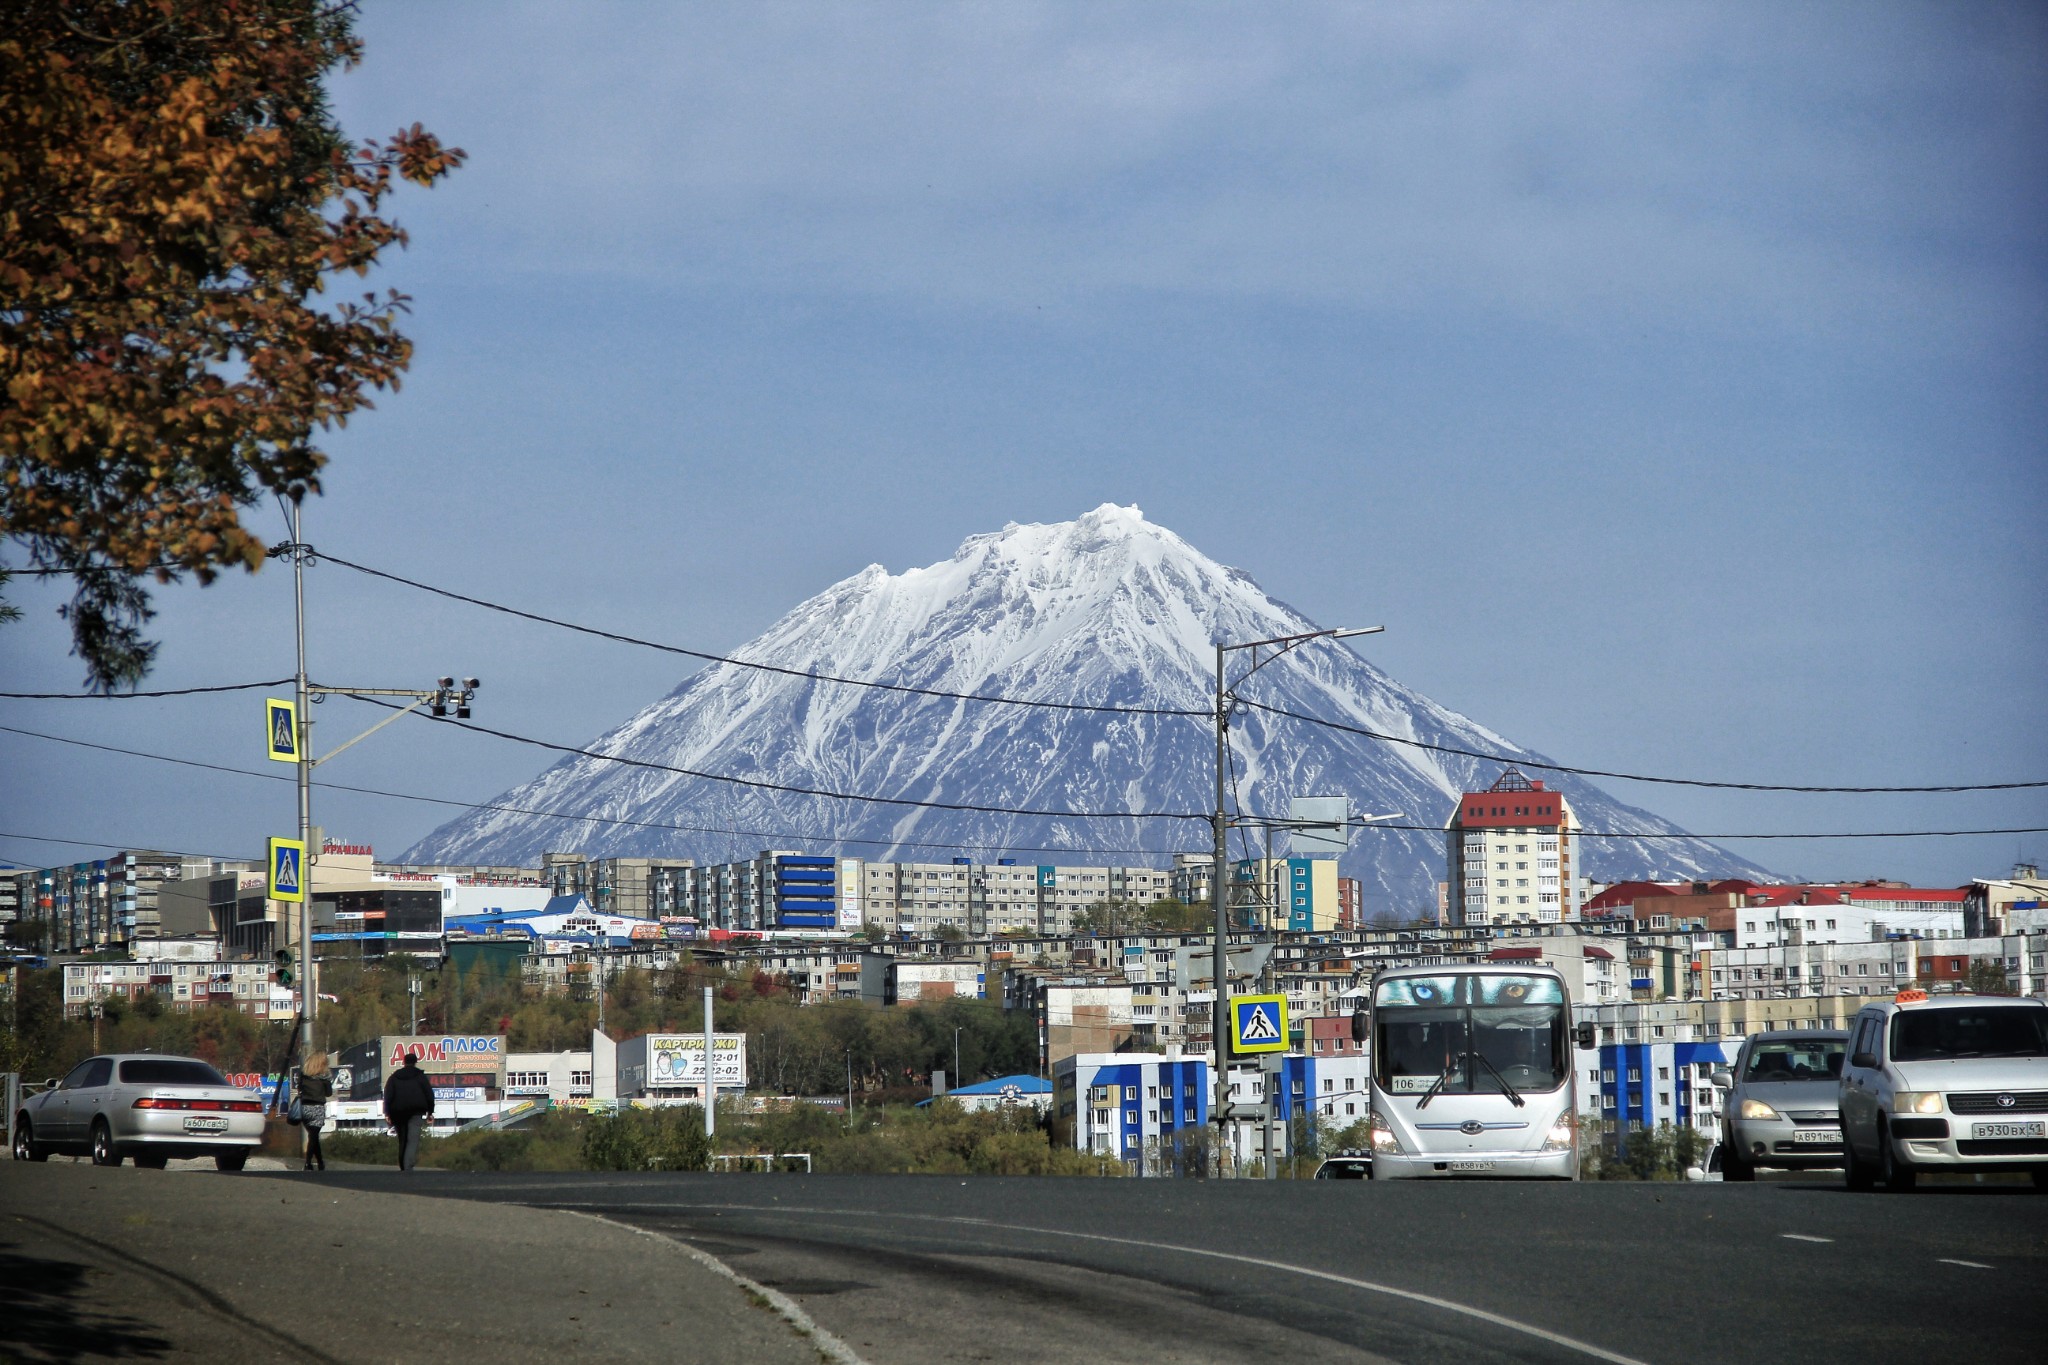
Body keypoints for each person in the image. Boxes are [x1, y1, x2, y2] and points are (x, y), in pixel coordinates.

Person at [382, 1050, 436, 1171]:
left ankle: (403, 1166)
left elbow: (388, 1095)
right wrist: (430, 1112)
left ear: (404, 1062)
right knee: (413, 1139)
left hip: (397, 1112)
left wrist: (387, 1112)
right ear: (415, 1062)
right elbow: (429, 1094)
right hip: (415, 1112)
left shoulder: (394, 1077)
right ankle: (408, 1166)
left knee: (402, 1139)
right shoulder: (420, 1077)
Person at [297, 1054, 334, 1172]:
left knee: (313, 1136)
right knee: (313, 1136)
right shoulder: (325, 1078)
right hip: (317, 1108)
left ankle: (320, 1163)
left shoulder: (303, 1076)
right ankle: (308, 1163)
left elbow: (300, 1089)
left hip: (305, 1108)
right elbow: (328, 1093)